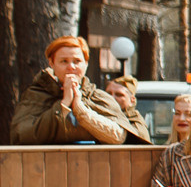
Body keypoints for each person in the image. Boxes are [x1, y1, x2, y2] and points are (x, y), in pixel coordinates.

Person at [13, 36, 151, 145]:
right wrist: (64, 105)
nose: (71, 67)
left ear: (86, 63)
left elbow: (119, 137)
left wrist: (80, 109)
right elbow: (22, 135)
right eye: (64, 61)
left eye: (77, 61)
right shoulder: (36, 95)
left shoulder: (100, 97)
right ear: (52, 63)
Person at [108, 76, 151, 140]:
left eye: (119, 95)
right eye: (108, 93)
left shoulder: (136, 127)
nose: (112, 98)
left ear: (132, 100)